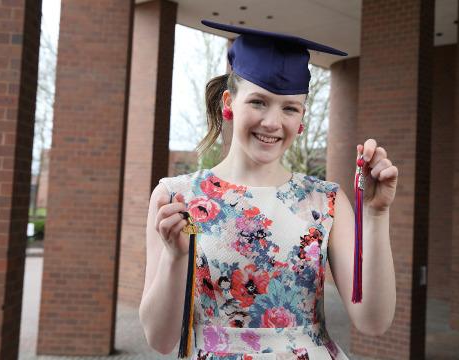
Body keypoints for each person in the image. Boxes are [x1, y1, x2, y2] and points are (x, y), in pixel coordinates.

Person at [139, 19, 398, 359]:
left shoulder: (326, 201)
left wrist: (377, 214)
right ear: (229, 102)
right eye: (259, 102)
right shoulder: (178, 199)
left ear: (302, 119)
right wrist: (175, 258)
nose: (273, 122)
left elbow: (374, 322)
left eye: (289, 108)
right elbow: (160, 340)